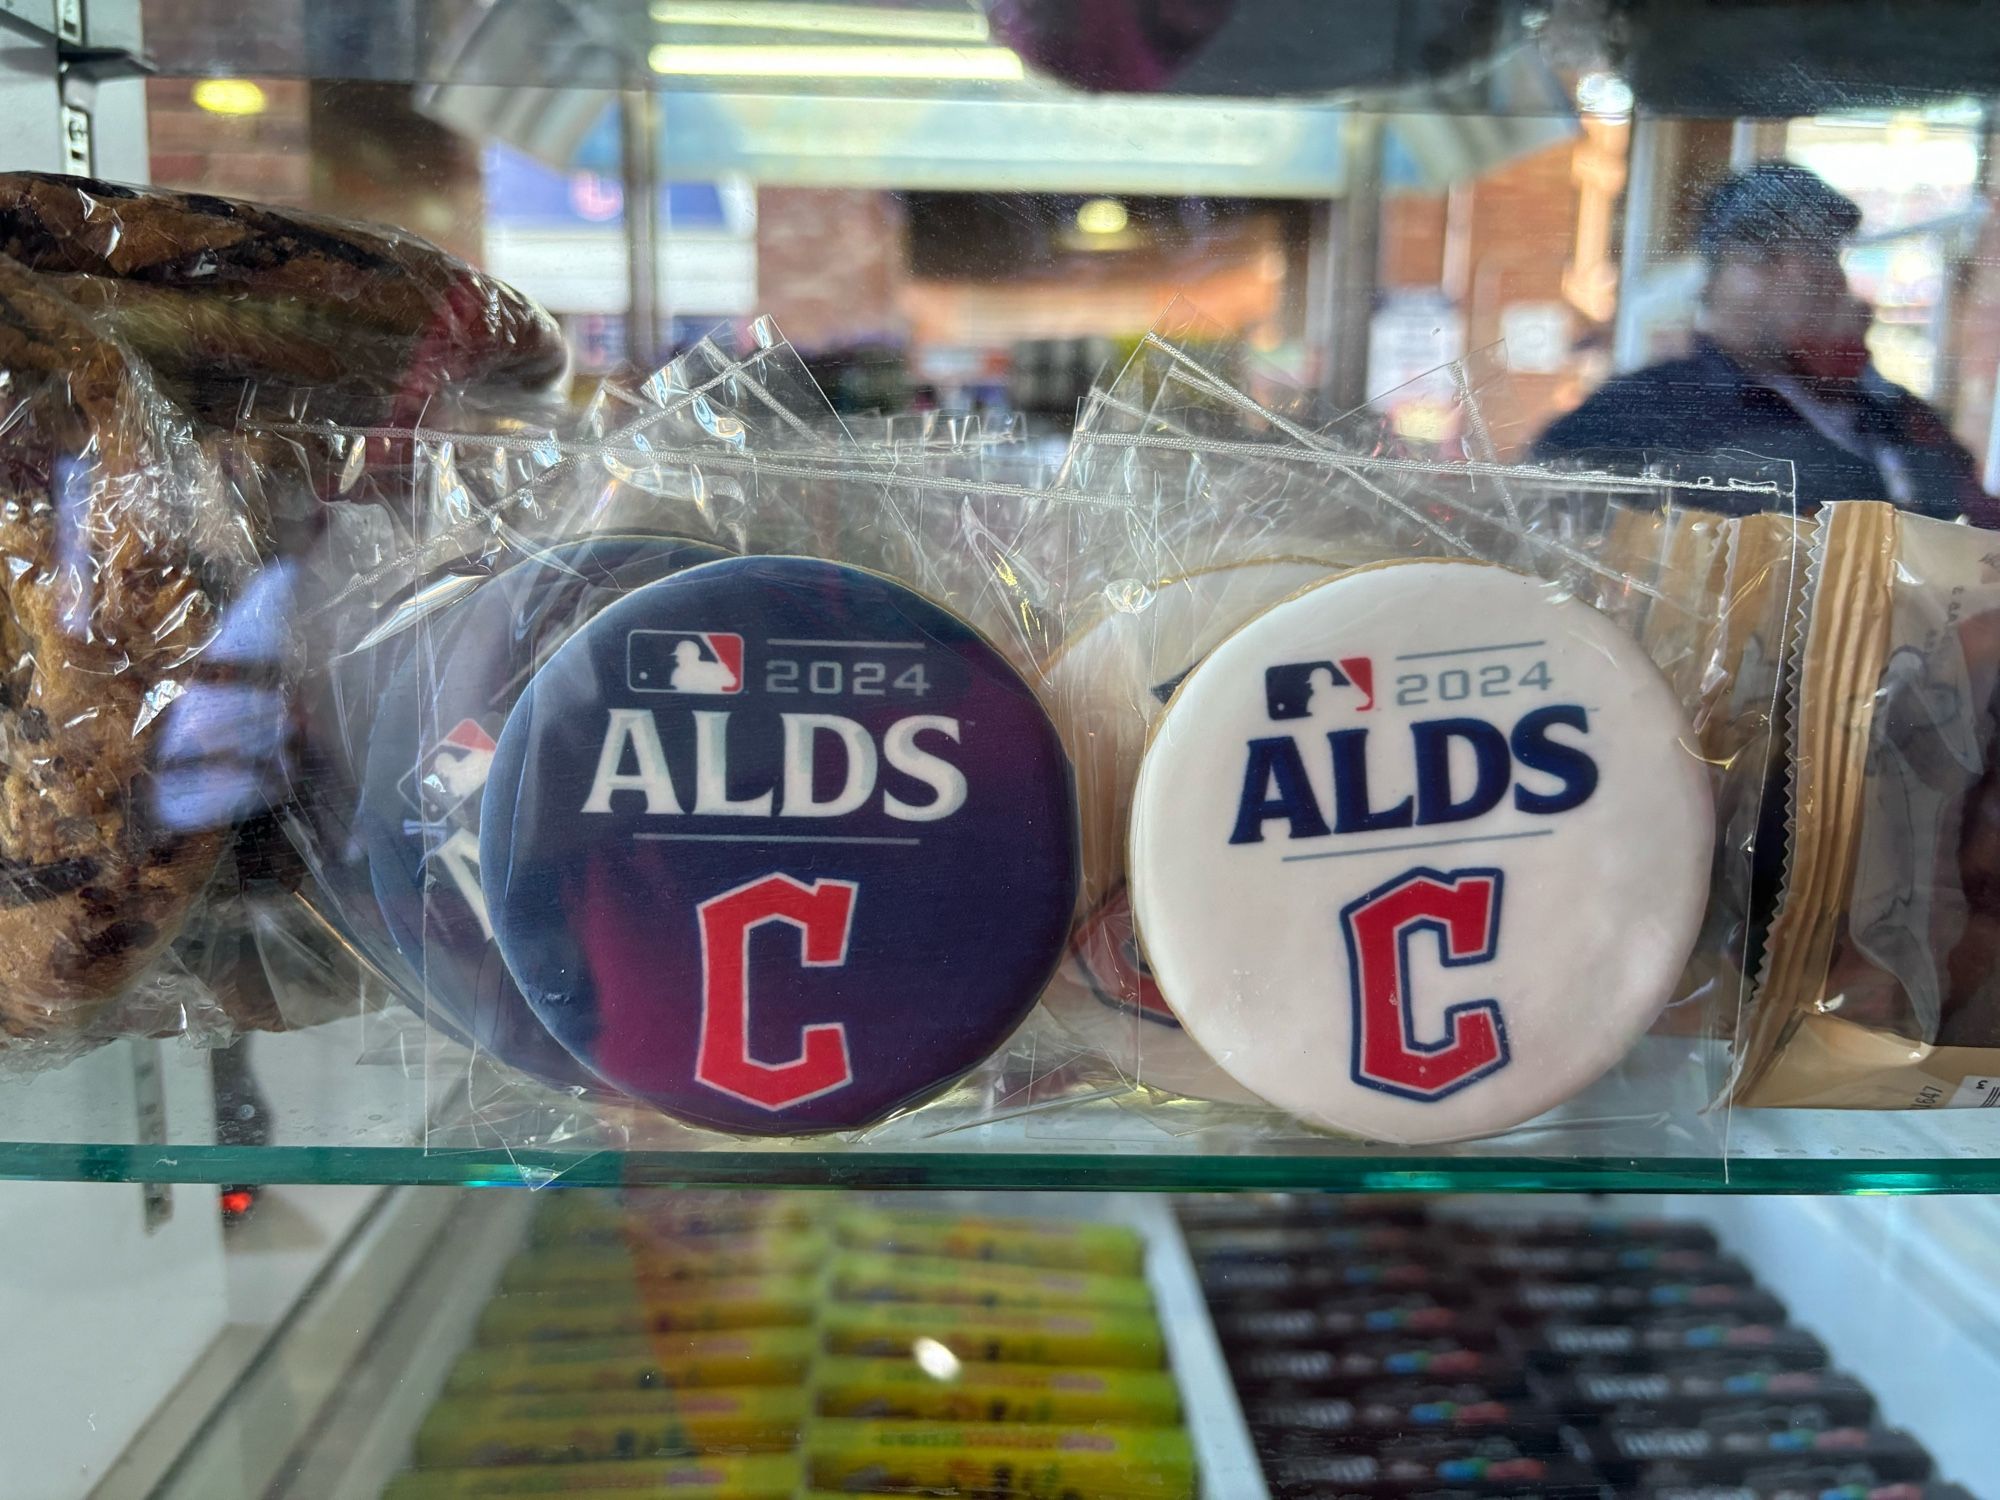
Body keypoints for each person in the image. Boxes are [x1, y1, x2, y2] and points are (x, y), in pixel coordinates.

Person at [1536, 162, 1996, 523]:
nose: (1830, 282)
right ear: (1739, 268)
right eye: (1809, 256)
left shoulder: (1884, 410)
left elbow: (1968, 524)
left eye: (1830, 257)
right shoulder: (1644, 410)